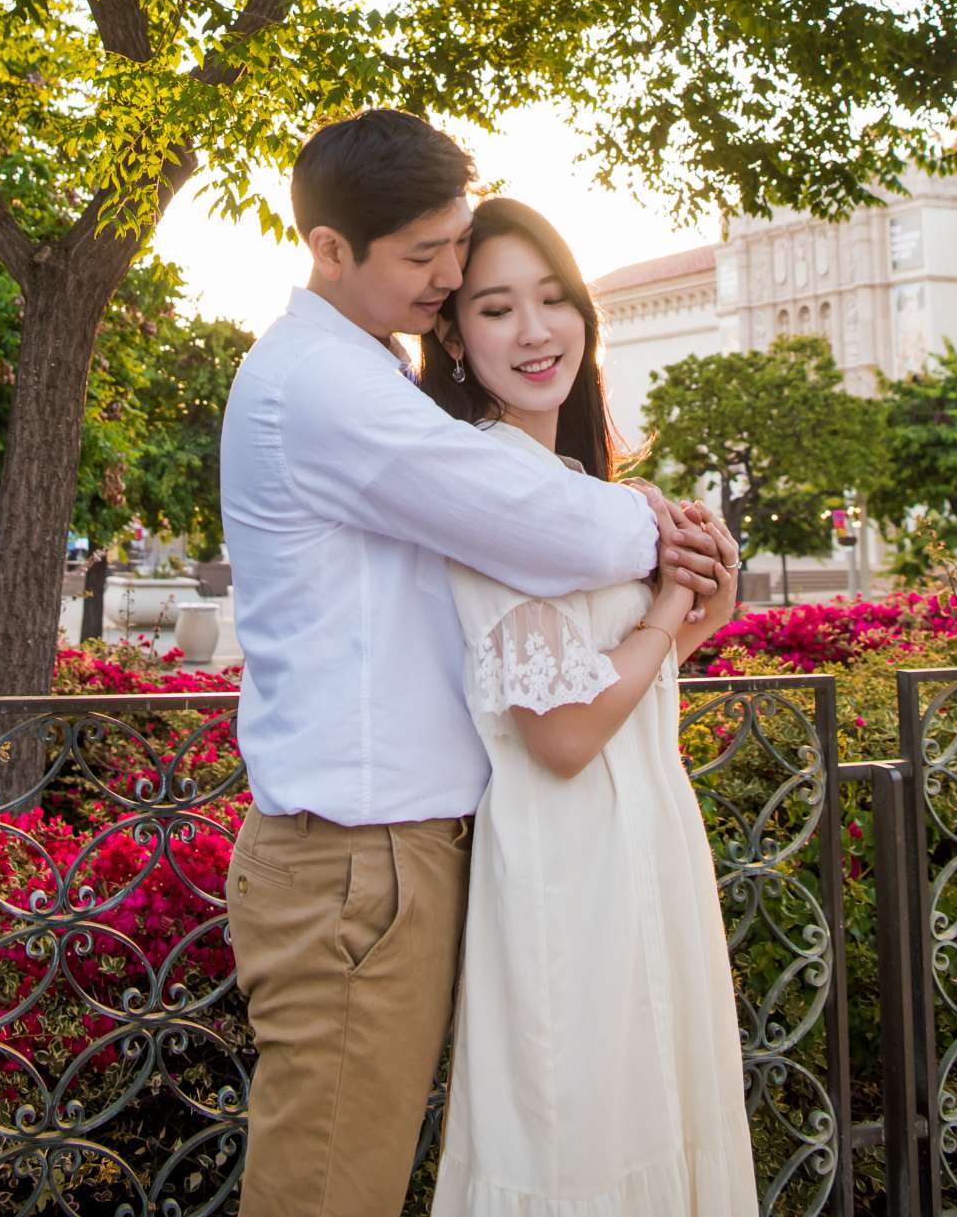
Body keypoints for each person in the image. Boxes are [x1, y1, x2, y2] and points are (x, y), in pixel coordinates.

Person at [220, 110, 728, 1217]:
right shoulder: (328, 387)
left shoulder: (369, 378)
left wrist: (655, 563)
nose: (446, 277)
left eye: (457, 247)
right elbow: (543, 527)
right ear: (329, 250)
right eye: (428, 260)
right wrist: (659, 529)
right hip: (359, 861)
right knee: (328, 1192)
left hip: (398, 855)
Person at [420, 197, 759, 1217]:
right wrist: (664, 613)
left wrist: (700, 614)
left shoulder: (570, 482)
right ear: (449, 331)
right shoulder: (488, 482)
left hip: (647, 841)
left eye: (555, 299)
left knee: (662, 1119)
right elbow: (562, 734)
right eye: (495, 307)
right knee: (583, 1145)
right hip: (570, 865)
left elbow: (611, 684)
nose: (534, 331)